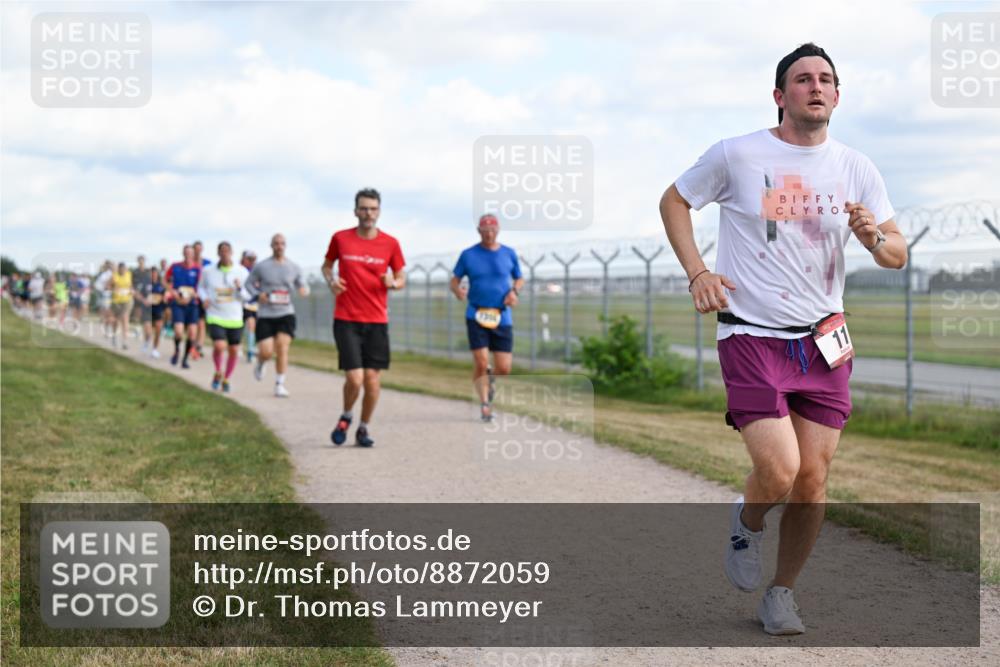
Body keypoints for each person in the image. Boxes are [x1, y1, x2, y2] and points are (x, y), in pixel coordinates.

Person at [660, 43, 907, 636]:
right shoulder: (739, 154)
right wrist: (699, 272)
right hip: (751, 334)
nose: (816, 87)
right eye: (803, 79)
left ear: (838, 96)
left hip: (823, 341)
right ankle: (748, 522)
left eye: (826, 80)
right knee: (779, 472)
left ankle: (781, 593)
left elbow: (897, 253)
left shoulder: (856, 167)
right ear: (780, 95)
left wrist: (873, 237)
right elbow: (674, 200)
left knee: (815, 480)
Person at [322, 188, 405, 447]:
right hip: (346, 318)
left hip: (377, 320)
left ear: (379, 211)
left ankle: (363, 428)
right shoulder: (341, 238)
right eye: (364, 208)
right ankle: (346, 415)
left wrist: (393, 282)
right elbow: (327, 266)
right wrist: (331, 281)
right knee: (354, 378)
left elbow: (402, 276)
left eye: (373, 208)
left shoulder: (390, 243)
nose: (368, 213)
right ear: (355, 211)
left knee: (372, 381)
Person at [450, 214, 524, 421]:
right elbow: (454, 280)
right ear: (479, 231)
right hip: (476, 313)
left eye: (493, 230)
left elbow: (519, 278)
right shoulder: (468, 255)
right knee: (481, 362)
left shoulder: (508, 253)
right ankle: (485, 405)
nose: (489, 234)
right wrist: (458, 291)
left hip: (502, 315)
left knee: (504, 368)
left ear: (498, 230)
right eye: (485, 231)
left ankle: (490, 379)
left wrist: (514, 292)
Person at [246, 234, 309, 397]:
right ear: (271, 245)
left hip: (286, 313)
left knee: (282, 347)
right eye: (276, 243)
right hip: (266, 314)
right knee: (266, 351)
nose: (279, 246)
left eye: (282, 243)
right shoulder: (262, 266)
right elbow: (248, 283)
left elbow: (302, 284)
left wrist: (304, 290)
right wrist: (259, 294)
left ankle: (279, 384)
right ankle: (260, 362)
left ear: (285, 246)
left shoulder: (294, 267)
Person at [198, 241, 250, 392]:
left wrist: (239, 287)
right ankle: (218, 370)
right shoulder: (208, 271)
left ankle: (226, 378)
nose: (225, 253)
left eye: (227, 251)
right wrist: (204, 298)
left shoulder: (241, 272)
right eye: (222, 251)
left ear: (232, 253)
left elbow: (247, 296)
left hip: (234, 316)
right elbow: (201, 287)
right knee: (219, 345)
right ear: (218, 253)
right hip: (215, 314)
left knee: (234, 350)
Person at [165, 245, 202, 369]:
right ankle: (176, 351)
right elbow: (165, 281)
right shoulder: (175, 267)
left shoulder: (197, 269)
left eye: (190, 253)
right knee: (179, 331)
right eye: (186, 253)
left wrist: (192, 296)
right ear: (183, 253)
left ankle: (185, 359)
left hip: (192, 304)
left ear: (193, 254)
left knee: (192, 333)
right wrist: (173, 292)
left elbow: (201, 287)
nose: (188, 255)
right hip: (178, 303)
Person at [192, 240, 211, 360]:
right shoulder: (189, 262)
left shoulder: (208, 264)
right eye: (196, 249)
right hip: (191, 297)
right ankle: (193, 345)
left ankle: (199, 347)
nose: (198, 251)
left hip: (203, 298)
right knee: (193, 325)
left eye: (200, 249)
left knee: (201, 323)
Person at [144, 266, 167, 358]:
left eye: (155, 273)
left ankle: (155, 349)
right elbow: (141, 295)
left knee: (158, 330)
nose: (153, 275)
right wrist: (144, 300)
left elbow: (166, 296)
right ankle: (147, 341)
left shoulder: (161, 286)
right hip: (147, 310)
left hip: (158, 310)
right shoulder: (145, 285)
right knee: (148, 331)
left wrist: (164, 298)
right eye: (151, 273)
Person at [240, 250, 259, 362]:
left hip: (251, 303)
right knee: (240, 327)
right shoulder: (239, 270)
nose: (251, 261)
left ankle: (251, 350)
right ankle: (238, 346)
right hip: (240, 303)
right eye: (249, 259)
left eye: (253, 259)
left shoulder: (256, 271)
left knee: (252, 325)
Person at [132, 255, 154, 353]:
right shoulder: (135, 272)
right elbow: (132, 286)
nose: (141, 262)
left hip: (148, 299)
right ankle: (137, 329)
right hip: (138, 297)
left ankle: (146, 340)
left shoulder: (148, 272)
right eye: (139, 261)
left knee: (147, 323)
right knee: (138, 315)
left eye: (142, 261)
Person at [110, 262, 133, 349]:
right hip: (116, 301)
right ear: (118, 269)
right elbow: (108, 286)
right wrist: (114, 289)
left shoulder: (129, 274)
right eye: (121, 269)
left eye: (124, 269)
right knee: (116, 321)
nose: (123, 271)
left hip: (127, 300)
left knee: (125, 318)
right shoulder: (114, 276)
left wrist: (131, 290)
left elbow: (130, 286)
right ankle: (114, 336)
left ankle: (125, 342)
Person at [94, 261, 114, 336]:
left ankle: (109, 329)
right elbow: (98, 285)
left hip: (114, 296)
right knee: (108, 313)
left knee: (110, 314)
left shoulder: (113, 274)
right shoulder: (104, 274)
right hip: (106, 296)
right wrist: (105, 287)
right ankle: (107, 330)